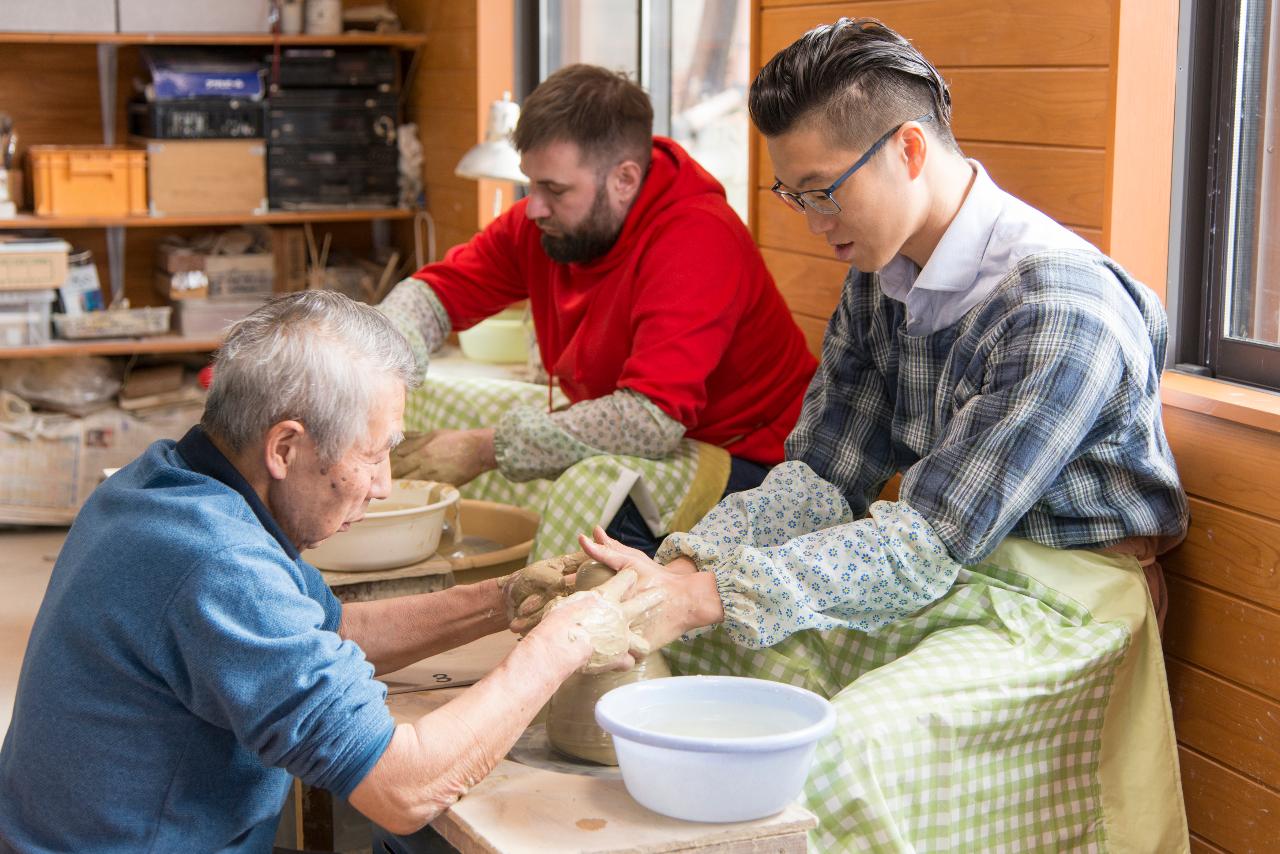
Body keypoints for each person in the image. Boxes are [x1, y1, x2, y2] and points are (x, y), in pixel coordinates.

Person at [578, 18, 1191, 852]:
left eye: (823, 189)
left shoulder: (1058, 309)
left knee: (835, 753)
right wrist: (681, 567)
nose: (809, 219)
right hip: (948, 567)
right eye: (793, 195)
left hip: (1063, 604)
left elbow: (927, 543)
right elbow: (820, 480)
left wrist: (703, 594)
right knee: (712, 659)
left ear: (907, 149)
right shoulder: (879, 283)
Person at [0, 291, 658, 853]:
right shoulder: (218, 564)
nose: (383, 485)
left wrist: (503, 599)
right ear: (284, 447)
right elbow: (403, 789)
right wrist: (564, 643)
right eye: (372, 456)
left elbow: (330, 629)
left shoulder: (168, 480)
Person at [380, 63, 817, 555]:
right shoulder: (546, 223)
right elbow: (434, 294)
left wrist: (482, 449)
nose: (534, 207)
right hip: (664, 439)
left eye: (556, 189)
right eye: (531, 184)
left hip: (758, 462)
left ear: (625, 179)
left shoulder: (696, 238)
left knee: (597, 513)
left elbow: (648, 421)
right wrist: (376, 367)